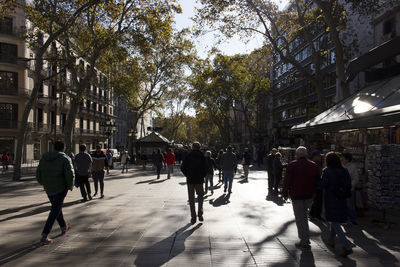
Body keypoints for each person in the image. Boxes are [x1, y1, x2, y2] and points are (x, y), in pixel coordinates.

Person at [36, 141, 75, 245]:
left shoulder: (44, 158)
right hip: (60, 188)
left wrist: (43, 183)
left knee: (56, 207)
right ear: (63, 148)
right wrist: (70, 185)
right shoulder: (65, 158)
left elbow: (38, 172)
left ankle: (63, 227)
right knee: (54, 211)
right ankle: (44, 235)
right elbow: (70, 174)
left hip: (48, 187)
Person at [283, 146, 320, 250]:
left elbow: (287, 180)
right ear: (306, 154)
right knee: (305, 216)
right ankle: (305, 238)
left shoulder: (292, 165)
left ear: (297, 155)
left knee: (300, 218)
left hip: (296, 195)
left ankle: (304, 240)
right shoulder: (313, 165)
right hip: (310, 195)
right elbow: (318, 180)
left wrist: (285, 193)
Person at [322, 152, 353, 257]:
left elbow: (324, 184)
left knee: (334, 221)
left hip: (331, 199)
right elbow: (349, 184)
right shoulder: (344, 171)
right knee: (335, 220)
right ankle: (331, 240)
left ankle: (346, 245)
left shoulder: (327, 171)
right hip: (342, 198)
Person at [181, 142, 207, 224]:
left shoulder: (188, 156)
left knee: (191, 199)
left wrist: (187, 174)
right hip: (199, 180)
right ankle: (200, 212)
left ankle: (193, 217)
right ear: (199, 147)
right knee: (200, 196)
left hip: (190, 180)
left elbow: (182, 167)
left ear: (192, 147)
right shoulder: (202, 156)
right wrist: (202, 175)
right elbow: (206, 168)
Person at [341, 152, 359, 225]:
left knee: (350, 205)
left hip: (349, 189)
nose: (341, 159)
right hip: (341, 189)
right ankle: (344, 219)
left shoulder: (352, 167)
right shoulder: (340, 166)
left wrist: (350, 186)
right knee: (342, 205)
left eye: (343, 158)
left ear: (347, 159)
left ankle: (353, 219)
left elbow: (356, 178)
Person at [309, 150, 324, 221]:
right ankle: (316, 214)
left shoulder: (316, 163)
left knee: (316, 200)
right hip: (317, 184)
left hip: (316, 183)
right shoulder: (315, 164)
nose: (320, 157)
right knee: (317, 200)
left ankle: (313, 214)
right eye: (319, 156)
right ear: (315, 157)